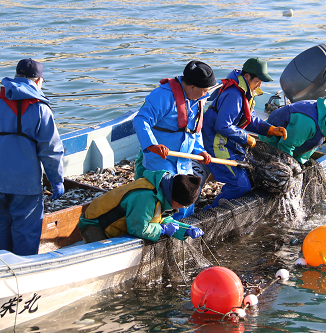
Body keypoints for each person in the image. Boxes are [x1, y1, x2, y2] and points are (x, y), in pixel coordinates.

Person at [0, 58, 64, 256]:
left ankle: (0, 268)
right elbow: (51, 151)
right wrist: (56, 181)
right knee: (25, 231)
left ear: (15, 76)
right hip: (25, 186)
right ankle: (23, 272)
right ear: (38, 81)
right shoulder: (41, 109)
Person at [133, 60, 217, 219]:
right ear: (192, 87)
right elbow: (141, 120)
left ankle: (183, 230)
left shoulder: (198, 100)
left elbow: (195, 131)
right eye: (205, 91)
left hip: (184, 162)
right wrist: (152, 145)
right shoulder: (162, 96)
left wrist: (201, 151)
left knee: (188, 199)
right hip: (162, 161)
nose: (206, 94)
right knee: (166, 201)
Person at [202, 57, 287, 207]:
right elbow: (222, 126)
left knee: (247, 176)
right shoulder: (234, 94)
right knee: (240, 185)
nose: (259, 85)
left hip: (228, 139)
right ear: (247, 76)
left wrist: (270, 129)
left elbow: (249, 118)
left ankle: (223, 199)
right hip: (216, 141)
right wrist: (246, 137)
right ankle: (210, 211)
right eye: (258, 81)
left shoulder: (246, 91)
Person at [78, 170, 204, 243]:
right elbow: (138, 228)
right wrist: (162, 230)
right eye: (184, 205)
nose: (182, 208)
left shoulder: (162, 192)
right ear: (175, 197)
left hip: (116, 227)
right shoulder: (146, 197)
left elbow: (161, 219)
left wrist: (185, 229)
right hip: (95, 225)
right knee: (102, 261)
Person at [259, 98, 326, 164]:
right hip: (271, 136)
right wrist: (288, 166)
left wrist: (300, 163)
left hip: (296, 135)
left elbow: (314, 143)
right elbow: (286, 145)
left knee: (318, 138)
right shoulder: (307, 123)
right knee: (273, 162)